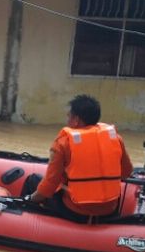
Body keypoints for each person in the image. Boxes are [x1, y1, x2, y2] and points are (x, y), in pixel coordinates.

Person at [25, 94, 133, 222]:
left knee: (32, 180)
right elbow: (126, 172)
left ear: (76, 119)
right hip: (109, 210)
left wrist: (29, 199)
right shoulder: (116, 139)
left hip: (76, 211)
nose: (67, 119)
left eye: (69, 115)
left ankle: (26, 222)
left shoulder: (63, 143)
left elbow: (48, 186)